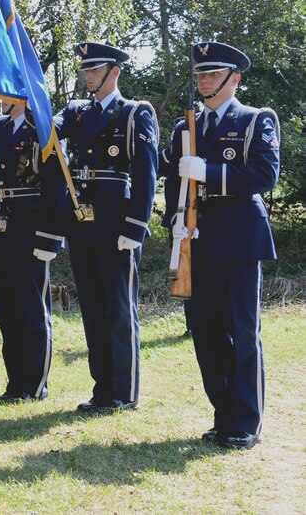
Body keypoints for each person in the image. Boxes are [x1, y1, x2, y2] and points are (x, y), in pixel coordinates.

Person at [163, 41, 279, 449]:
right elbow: (175, 182)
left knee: (242, 332)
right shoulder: (185, 128)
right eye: (201, 74)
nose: (205, 81)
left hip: (240, 238)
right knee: (206, 333)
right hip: (198, 238)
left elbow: (264, 175)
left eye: (213, 74)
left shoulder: (255, 121)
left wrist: (209, 172)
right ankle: (223, 414)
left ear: (234, 79)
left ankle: (246, 422)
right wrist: (174, 224)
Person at [55, 42, 158, 413]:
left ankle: (124, 391)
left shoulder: (134, 113)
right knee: (94, 309)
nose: (87, 76)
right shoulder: (77, 112)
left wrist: (136, 225)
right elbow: (48, 131)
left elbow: (147, 176)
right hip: (83, 222)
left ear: (114, 72)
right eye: (85, 70)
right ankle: (103, 389)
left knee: (118, 307)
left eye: (94, 70)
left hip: (117, 224)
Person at [0, 100, 67, 402]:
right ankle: (15, 382)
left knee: (32, 309)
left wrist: (49, 238)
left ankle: (35, 384)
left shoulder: (41, 127)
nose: (1, 96)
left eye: (7, 91)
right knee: (8, 310)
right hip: (2, 227)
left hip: (31, 228)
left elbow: (57, 185)